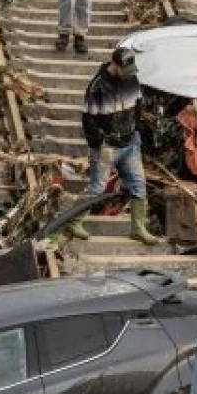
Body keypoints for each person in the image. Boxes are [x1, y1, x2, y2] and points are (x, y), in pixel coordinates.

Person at [64, 45, 160, 245]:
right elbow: (88, 119)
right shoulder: (98, 86)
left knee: (138, 185)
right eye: (124, 71)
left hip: (130, 143)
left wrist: (139, 130)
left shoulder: (132, 78)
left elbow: (138, 107)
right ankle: (75, 221)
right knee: (96, 187)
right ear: (114, 65)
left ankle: (138, 228)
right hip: (107, 146)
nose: (127, 75)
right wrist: (97, 143)